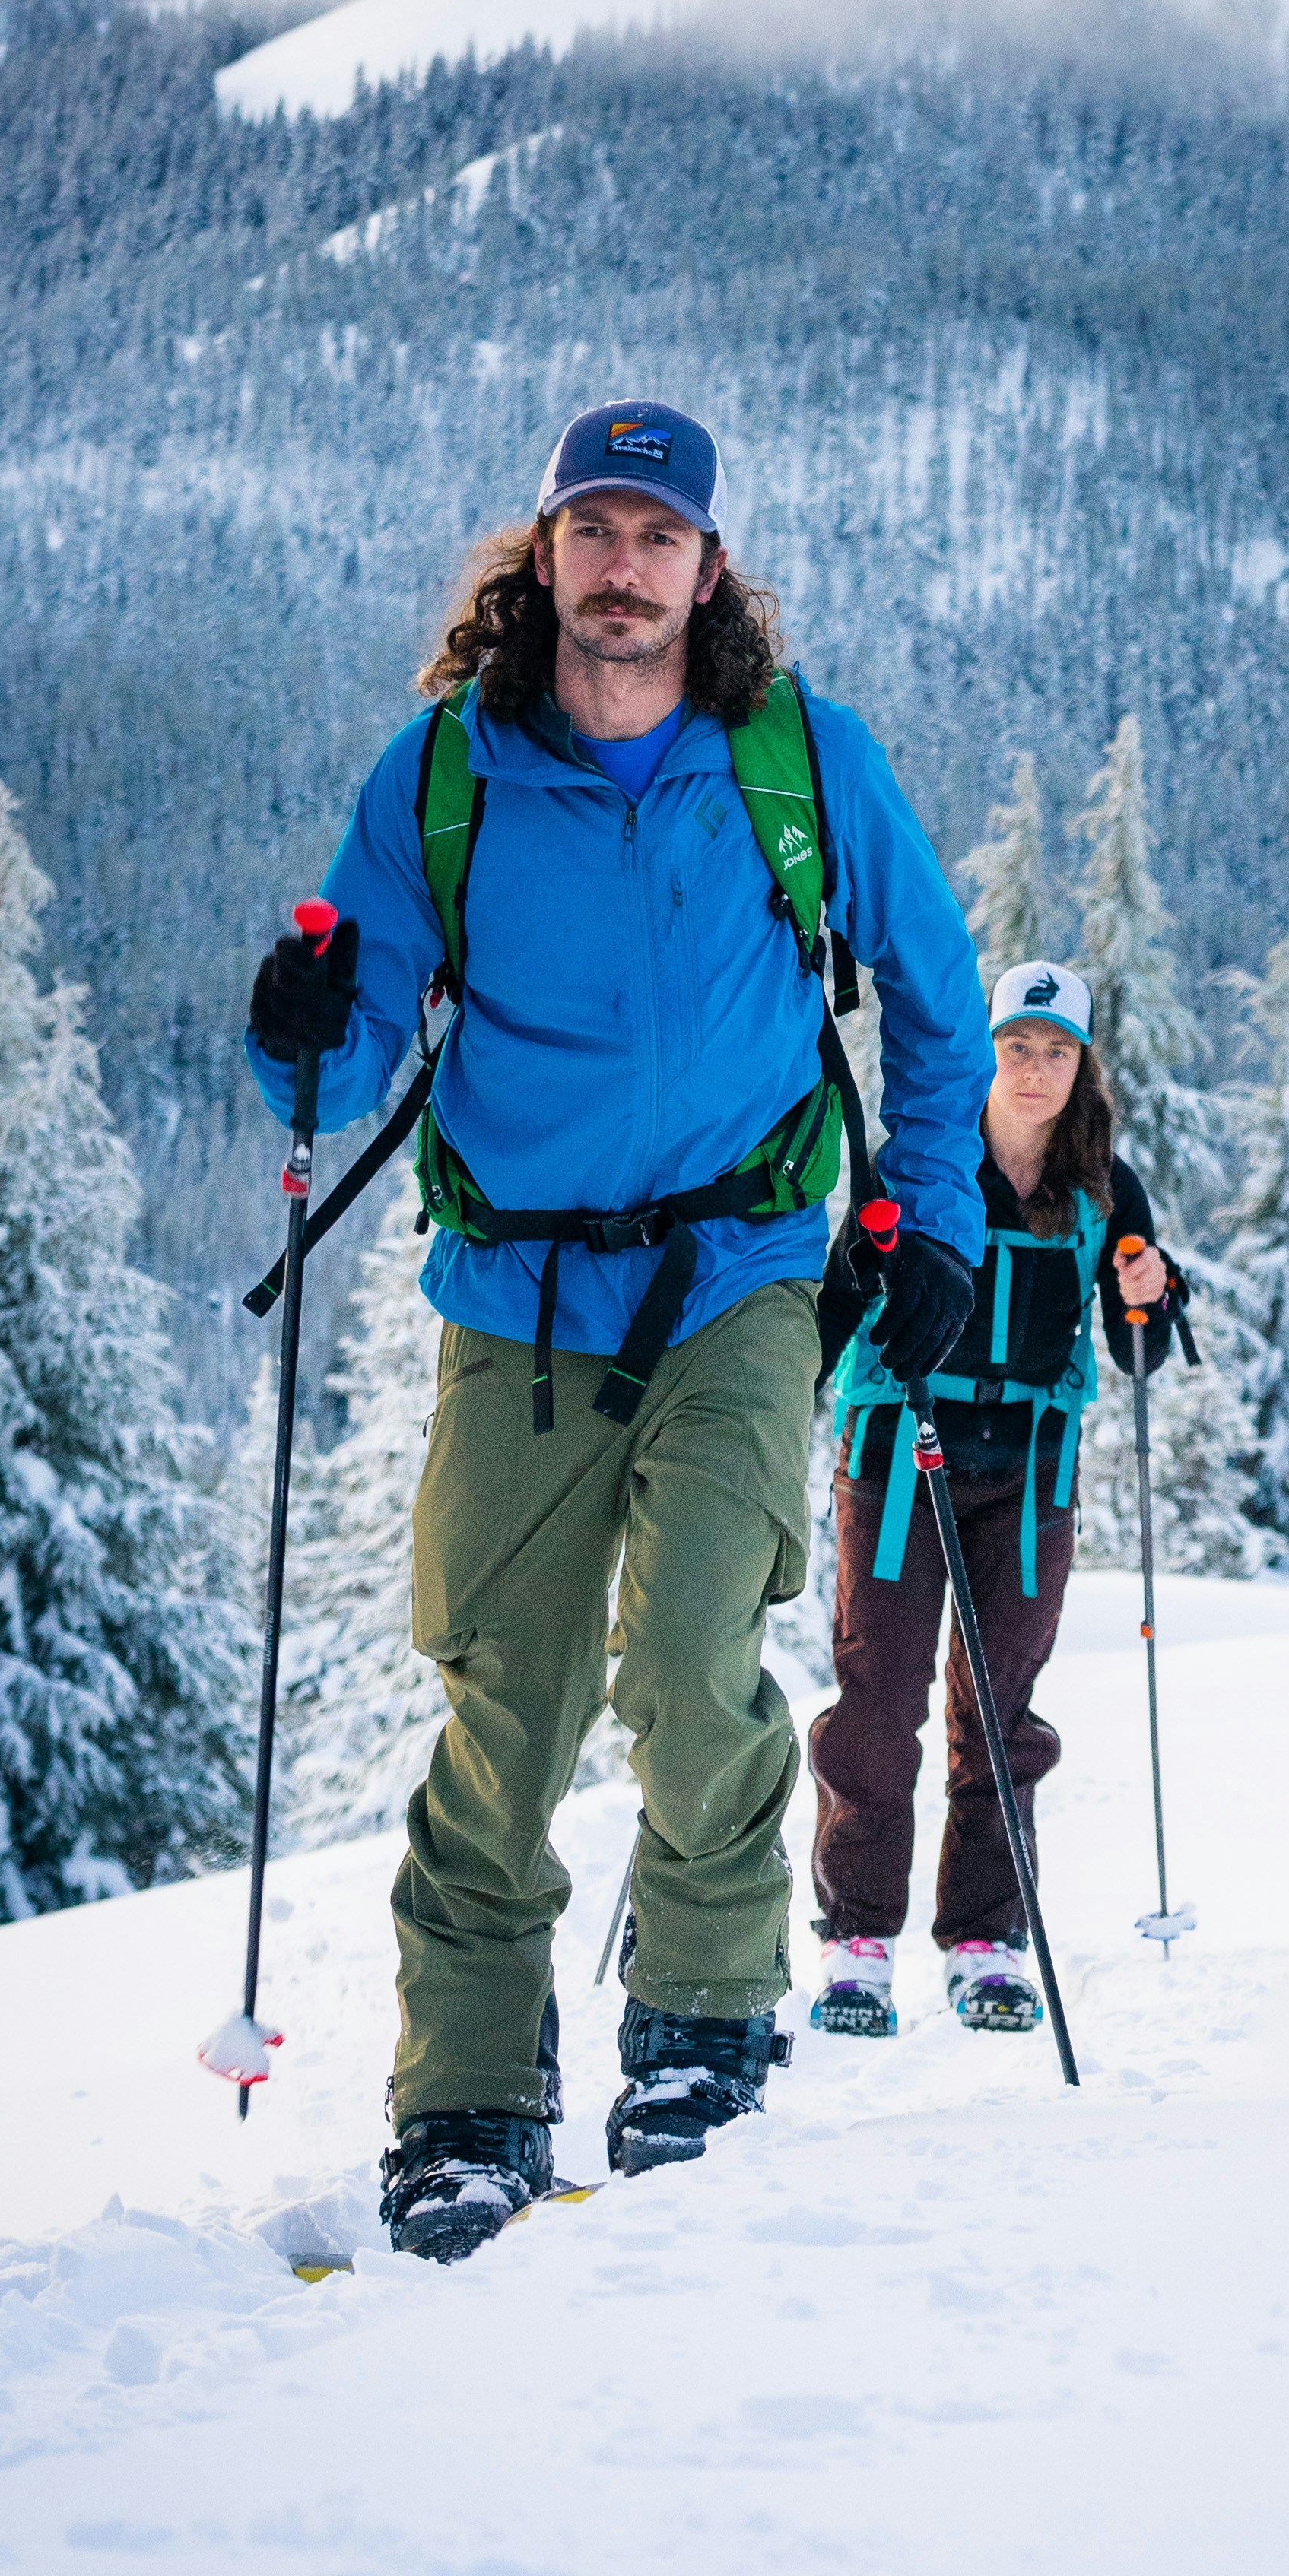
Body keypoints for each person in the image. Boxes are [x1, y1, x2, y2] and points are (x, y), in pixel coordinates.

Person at [245, 398, 992, 2262]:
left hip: (745, 1268)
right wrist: (300, 1012)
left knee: (682, 1656)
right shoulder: (448, 776)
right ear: (546, 551)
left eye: (659, 536)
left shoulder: (796, 757)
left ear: (707, 567)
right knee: (508, 1696)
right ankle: (470, 2104)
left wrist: (934, 1221)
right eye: (596, 529)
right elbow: (341, 1048)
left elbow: (933, 985)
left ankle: (702, 2032)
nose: (625, 566)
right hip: (517, 1291)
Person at [805, 956, 1177, 2035]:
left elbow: (1134, 1352)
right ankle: (857, 1943)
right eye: (1017, 1045)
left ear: (1082, 1066)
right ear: (986, 1051)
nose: (1034, 1069)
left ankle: (985, 1942)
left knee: (1000, 1715)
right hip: (897, 1454)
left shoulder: (1108, 1188)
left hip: (1029, 1475)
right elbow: (837, 1302)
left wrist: (1150, 1296)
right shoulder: (919, 1168)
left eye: (1057, 1051)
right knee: (879, 1703)